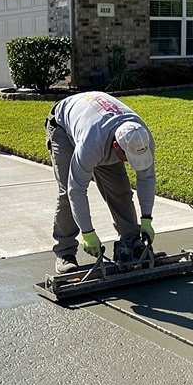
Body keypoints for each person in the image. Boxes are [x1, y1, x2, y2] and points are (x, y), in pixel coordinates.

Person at [46, 91, 156, 274]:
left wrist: (147, 219)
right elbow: (77, 190)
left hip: (99, 123)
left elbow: (147, 177)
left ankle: (131, 242)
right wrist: (87, 232)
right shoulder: (91, 144)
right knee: (67, 193)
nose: (130, 162)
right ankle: (65, 252)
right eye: (127, 157)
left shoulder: (141, 137)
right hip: (63, 128)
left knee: (121, 190)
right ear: (116, 147)